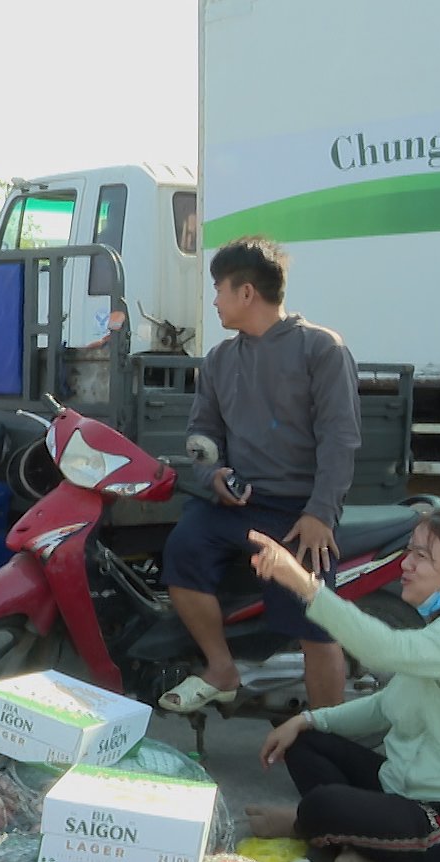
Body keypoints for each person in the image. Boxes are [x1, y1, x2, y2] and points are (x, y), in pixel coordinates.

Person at [243, 508, 440, 862]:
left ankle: (310, 827)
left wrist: (303, 583)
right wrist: (305, 719)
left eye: (422, 556)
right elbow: (384, 705)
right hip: (402, 792)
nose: (406, 564)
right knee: (304, 741)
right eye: (409, 552)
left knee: (321, 806)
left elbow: (382, 649)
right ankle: (371, 849)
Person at [158, 236, 361, 714]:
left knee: (315, 624)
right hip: (239, 505)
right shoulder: (219, 360)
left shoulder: (321, 349)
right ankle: (221, 667)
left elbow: (341, 439)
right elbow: (202, 433)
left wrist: (320, 513)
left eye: (218, 289)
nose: (214, 300)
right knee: (181, 551)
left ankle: (327, 732)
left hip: (299, 512)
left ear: (246, 293)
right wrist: (213, 476)